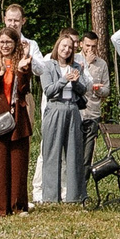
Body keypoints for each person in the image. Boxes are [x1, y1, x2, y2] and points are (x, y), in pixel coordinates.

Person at [0, 5, 46, 208]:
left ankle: (18, 200)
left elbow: (41, 71)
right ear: (5, 20)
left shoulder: (31, 43)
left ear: (23, 21)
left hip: (21, 101)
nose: (13, 23)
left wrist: (27, 59)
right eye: (9, 20)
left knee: (19, 153)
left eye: (17, 20)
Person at [0, 30, 35, 220]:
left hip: (18, 118)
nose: (5, 45)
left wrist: (23, 69)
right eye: (2, 42)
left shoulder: (23, 62)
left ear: (15, 43)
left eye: (9, 42)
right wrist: (0, 72)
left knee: (18, 164)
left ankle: (19, 206)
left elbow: (23, 89)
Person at [33, 32, 90, 205]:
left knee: (74, 153)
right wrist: (64, 79)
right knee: (52, 153)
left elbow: (82, 90)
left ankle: (74, 196)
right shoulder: (48, 66)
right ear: (57, 47)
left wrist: (76, 82)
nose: (66, 50)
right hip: (54, 108)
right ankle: (50, 197)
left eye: (70, 48)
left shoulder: (76, 67)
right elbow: (49, 91)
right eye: (63, 46)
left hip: (72, 109)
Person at [76, 32, 112, 187]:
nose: (90, 49)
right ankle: (70, 186)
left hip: (92, 112)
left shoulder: (102, 64)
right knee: (73, 149)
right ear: (81, 44)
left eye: (93, 46)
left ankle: (82, 186)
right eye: (87, 45)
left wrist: (98, 90)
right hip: (76, 111)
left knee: (87, 153)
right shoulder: (75, 59)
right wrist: (87, 65)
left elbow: (107, 90)